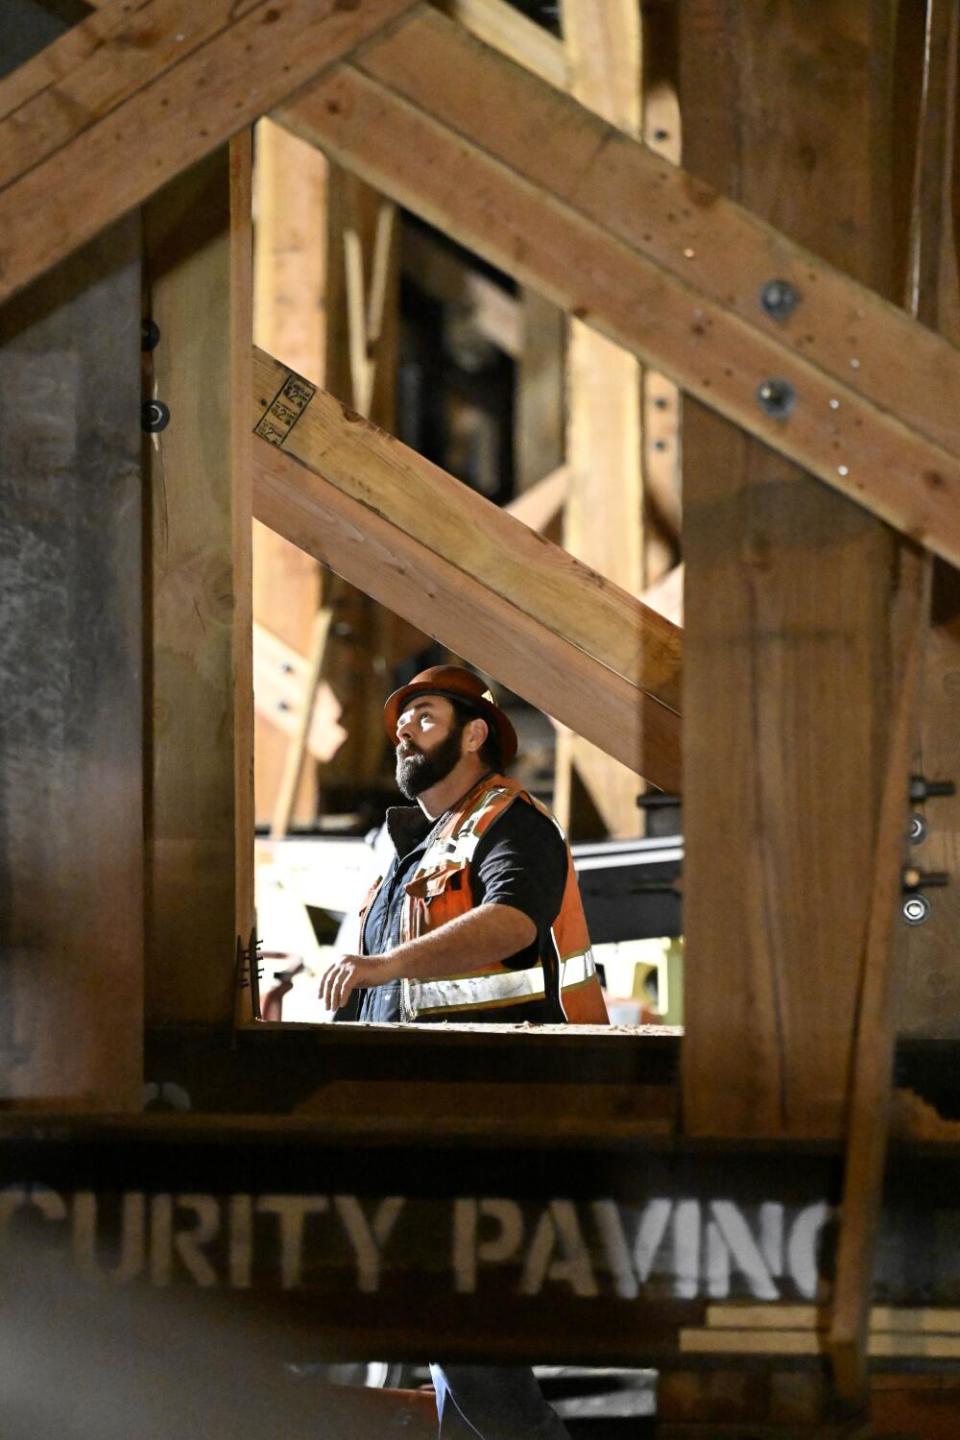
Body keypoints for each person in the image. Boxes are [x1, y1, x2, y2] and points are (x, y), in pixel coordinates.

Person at [319, 665, 607, 1440]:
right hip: (426, 1119)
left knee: (466, 1335)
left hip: (499, 1115)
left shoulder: (511, 823)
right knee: (454, 1337)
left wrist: (383, 965)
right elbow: (385, 997)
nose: (404, 732)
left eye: (425, 716)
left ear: (475, 733)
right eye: (402, 721)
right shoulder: (409, 851)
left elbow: (512, 920)